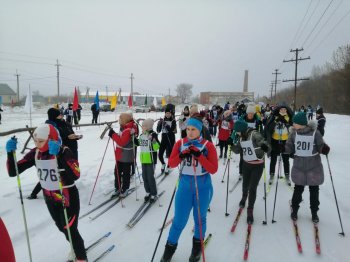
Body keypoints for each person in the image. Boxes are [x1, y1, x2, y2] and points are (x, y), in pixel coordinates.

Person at [6, 124, 87, 261]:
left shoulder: (65, 151)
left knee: (71, 231)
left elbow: (76, 174)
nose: (37, 144)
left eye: (41, 141)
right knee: (62, 228)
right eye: (35, 141)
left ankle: (81, 257)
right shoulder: (36, 152)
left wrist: (60, 154)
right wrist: (10, 153)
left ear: (51, 139)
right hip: (50, 198)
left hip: (67, 198)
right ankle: (75, 248)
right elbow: (14, 172)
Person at [160, 115, 218, 262]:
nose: (190, 132)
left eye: (193, 129)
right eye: (188, 129)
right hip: (185, 186)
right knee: (179, 220)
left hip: (203, 187)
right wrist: (181, 155)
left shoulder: (208, 145)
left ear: (200, 130)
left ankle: (196, 250)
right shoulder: (180, 143)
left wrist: (200, 157)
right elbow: (172, 164)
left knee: (199, 219)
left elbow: (213, 169)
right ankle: (169, 250)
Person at [27, 108, 83, 200]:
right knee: (52, 173)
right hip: (56, 153)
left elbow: (65, 134)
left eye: (61, 114)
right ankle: (35, 193)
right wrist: (66, 138)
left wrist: (74, 137)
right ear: (53, 116)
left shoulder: (64, 123)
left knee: (63, 172)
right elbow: (55, 139)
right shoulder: (49, 127)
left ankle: (67, 188)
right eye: (59, 115)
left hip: (68, 150)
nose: (61, 116)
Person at [284, 112, 330, 223]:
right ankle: (294, 210)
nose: (293, 124)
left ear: (301, 124)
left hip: (313, 167)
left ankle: (314, 212)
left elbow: (320, 145)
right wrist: (283, 148)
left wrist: (324, 149)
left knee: (314, 190)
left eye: (295, 122)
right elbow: (289, 146)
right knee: (298, 189)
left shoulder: (315, 133)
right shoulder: (294, 134)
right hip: (299, 167)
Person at [230, 119, 270, 224]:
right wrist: (231, 145)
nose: (236, 133)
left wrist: (265, 147)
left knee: (253, 187)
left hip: (257, 165)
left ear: (241, 129)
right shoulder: (242, 138)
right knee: (245, 184)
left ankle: (250, 209)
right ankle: (244, 198)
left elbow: (265, 144)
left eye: (237, 131)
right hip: (246, 165)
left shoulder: (254, 134)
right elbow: (237, 150)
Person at [108, 112, 137, 197]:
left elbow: (121, 142)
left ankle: (125, 188)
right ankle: (118, 188)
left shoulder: (128, 129)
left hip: (126, 156)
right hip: (120, 155)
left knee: (125, 173)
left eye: (120, 119)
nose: (119, 120)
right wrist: (115, 134)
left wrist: (113, 134)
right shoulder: (124, 128)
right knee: (117, 172)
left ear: (125, 120)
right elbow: (121, 138)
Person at [265, 104, 293, 185]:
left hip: (285, 141)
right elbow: (269, 127)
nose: (283, 111)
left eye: (284, 110)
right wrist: (276, 121)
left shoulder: (289, 118)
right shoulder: (274, 117)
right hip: (275, 141)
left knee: (286, 159)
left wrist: (287, 123)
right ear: (279, 110)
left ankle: (287, 176)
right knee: (273, 159)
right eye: (281, 110)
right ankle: (272, 174)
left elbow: (292, 129)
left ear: (286, 111)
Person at [137, 118, 160, 202]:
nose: (142, 127)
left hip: (151, 159)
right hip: (143, 159)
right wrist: (132, 136)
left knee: (150, 177)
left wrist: (153, 140)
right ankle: (148, 191)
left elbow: (157, 147)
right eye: (142, 125)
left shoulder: (153, 134)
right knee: (144, 176)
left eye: (144, 125)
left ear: (148, 126)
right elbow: (137, 143)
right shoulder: (141, 135)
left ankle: (153, 193)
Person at [157, 107, 176, 174]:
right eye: (166, 113)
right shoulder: (163, 120)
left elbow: (171, 130)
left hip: (170, 139)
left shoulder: (173, 121)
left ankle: (168, 166)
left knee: (170, 154)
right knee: (160, 154)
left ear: (171, 114)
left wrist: (166, 125)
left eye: (169, 113)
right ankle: (163, 164)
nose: (167, 114)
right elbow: (158, 131)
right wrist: (159, 124)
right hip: (164, 138)